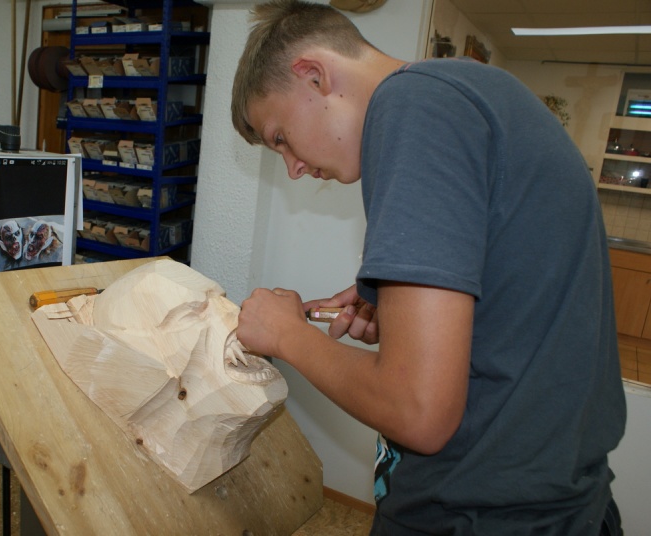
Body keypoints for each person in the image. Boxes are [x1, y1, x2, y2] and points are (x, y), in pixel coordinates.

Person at [230, 1, 627, 534]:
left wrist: (287, 335)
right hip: (554, 502)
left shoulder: (413, 108)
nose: (294, 168)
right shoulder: (472, 92)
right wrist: (400, 307)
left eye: (280, 137)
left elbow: (418, 411)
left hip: (484, 518)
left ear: (314, 75)